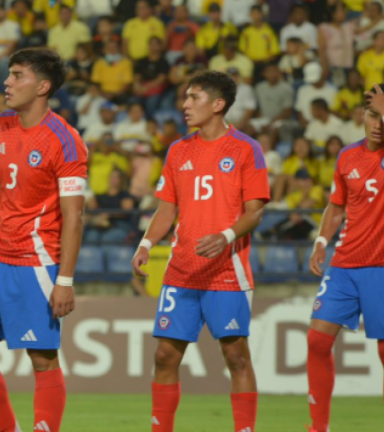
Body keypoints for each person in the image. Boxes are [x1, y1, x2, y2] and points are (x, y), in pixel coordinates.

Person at [0, 47, 87, 432]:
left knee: (42, 359)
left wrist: (65, 279)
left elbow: (75, 217)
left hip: (35, 260)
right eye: (8, 75)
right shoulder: (3, 125)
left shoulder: (65, 139)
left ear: (42, 86)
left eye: (16, 75)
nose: (7, 83)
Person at [131, 70, 269, 432]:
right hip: (182, 271)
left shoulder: (245, 149)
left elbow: (254, 212)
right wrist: (146, 244)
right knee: (164, 356)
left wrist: (225, 235)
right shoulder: (178, 150)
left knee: (236, 357)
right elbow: (166, 210)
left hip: (227, 271)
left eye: (194, 98)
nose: (185, 104)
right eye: (185, 97)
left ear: (218, 104)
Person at [307, 84, 384, 432]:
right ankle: (318, 427)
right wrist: (320, 240)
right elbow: (337, 204)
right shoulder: (347, 156)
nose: (377, 124)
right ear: (362, 114)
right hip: (344, 264)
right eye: (371, 114)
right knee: (316, 341)